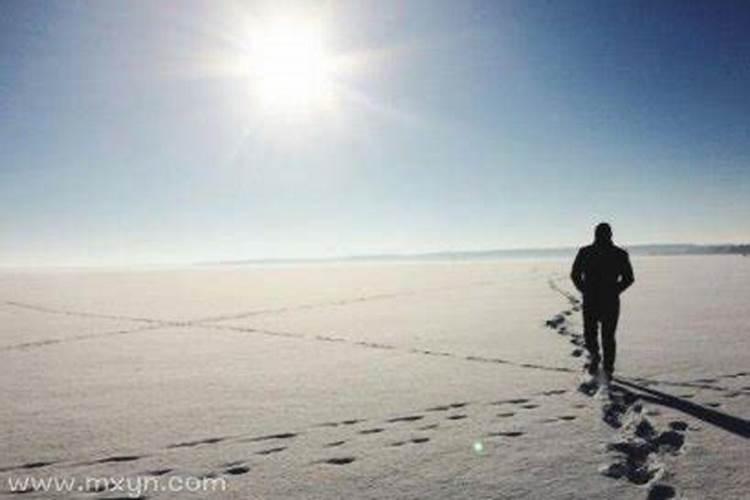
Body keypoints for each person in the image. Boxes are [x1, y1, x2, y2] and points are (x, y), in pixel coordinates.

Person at [570, 223, 634, 381]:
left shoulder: (589, 252)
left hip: (597, 299)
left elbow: (575, 275)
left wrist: (585, 290)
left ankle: (601, 363)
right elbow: (575, 274)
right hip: (605, 299)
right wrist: (615, 290)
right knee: (603, 335)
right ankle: (604, 365)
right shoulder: (616, 253)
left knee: (596, 334)